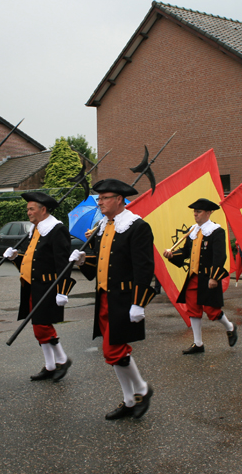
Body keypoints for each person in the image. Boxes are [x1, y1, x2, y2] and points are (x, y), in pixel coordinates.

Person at [72, 179, 155, 420]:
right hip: (105, 297)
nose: (100, 202)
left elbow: (144, 268)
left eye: (104, 198)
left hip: (125, 299)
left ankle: (141, 389)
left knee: (113, 350)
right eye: (99, 198)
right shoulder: (102, 226)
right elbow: (100, 263)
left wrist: (139, 303)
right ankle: (130, 400)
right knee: (116, 351)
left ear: (119, 199)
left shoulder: (137, 227)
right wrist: (82, 260)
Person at [3, 192, 75, 382]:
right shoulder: (36, 229)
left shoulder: (56, 229)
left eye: (31, 209)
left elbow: (63, 263)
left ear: (43, 210)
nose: (28, 212)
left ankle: (62, 359)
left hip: (48, 286)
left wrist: (63, 290)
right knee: (37, 326)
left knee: (43, 326)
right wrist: (15, 257)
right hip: (32, 285)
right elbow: (33, 260)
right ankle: (50, 366)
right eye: (27, 209)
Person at [163, 198, 237, 354]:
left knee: (212, 311)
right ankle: (198, 343)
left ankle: (230, 327)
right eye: (194, 212)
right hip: (193, 277)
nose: (195, 214)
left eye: (199, 211)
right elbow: (185, 253)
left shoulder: (217, 231)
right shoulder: (192, 231)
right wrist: (172, 255)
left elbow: (219, 256)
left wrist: (214, 277)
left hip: (208, 277)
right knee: (193, 309)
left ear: (208, 213)